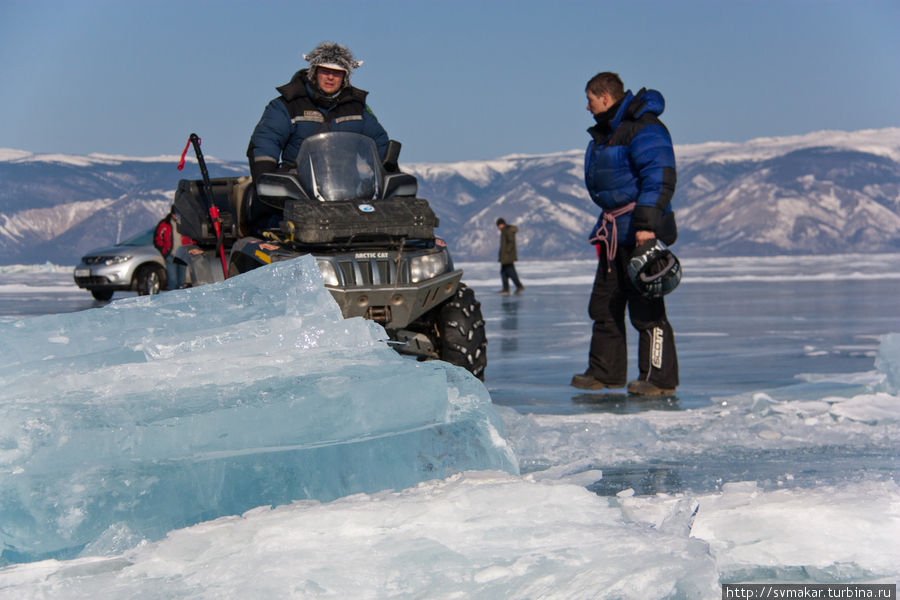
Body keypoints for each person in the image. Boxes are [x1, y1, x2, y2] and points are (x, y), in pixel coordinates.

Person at [570, 72, 679, 396]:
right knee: (604, 305)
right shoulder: (609, 132)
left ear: (605, 97)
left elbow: (659, 177)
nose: (586, 107)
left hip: (640, 232)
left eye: (589, 100)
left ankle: (658, 379)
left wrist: (646, 226)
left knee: (647, 310)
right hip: (614, 232)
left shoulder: (645, 128)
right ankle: (605, 372)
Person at [246, 41, 390, 232]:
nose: (330, 77)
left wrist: (385, 171)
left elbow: (379, 143)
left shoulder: (358, 108)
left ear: (345, 76)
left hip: (349, 193)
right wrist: (266, 178)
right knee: (274, 231)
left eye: (337, 72)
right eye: (324, 71)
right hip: (297, 191)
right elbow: (266, 141)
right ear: (314, 71)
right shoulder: (288, 105)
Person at [496, 218, 524, 294]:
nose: (498, 227)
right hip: (505, 256)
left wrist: (506, 252)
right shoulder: (504, 231)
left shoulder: (508, 231)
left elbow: (510, 242)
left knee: (511, 272)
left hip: (508, 256)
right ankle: (506, 288)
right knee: (503, 272)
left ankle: (519, 286)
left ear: (502, 224)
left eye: (498, 225)